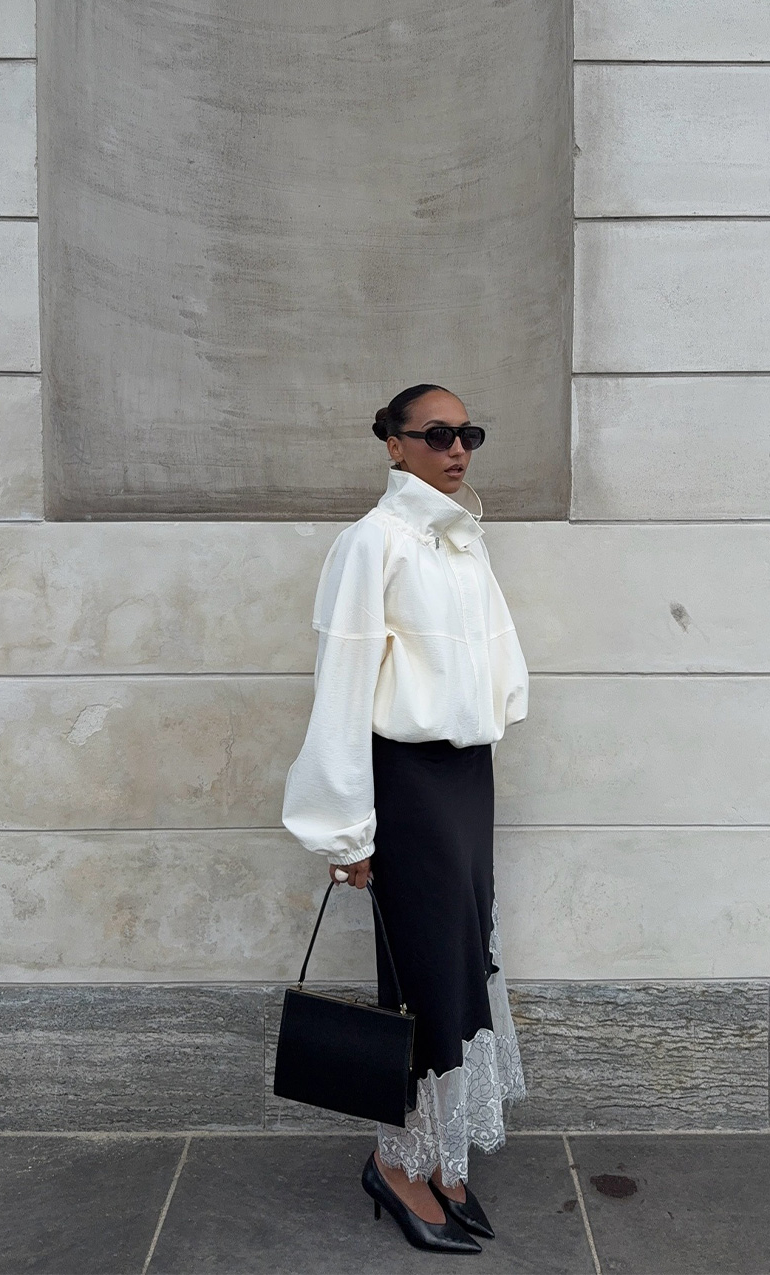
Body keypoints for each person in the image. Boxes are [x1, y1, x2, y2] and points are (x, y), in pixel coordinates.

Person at [281, 383, 530, 1254]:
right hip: (407, 779)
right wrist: (346, 829)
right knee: (422, 967)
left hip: (467, 774)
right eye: (437, 434)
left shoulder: (462, 540)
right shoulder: (373, 541)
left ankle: (442, 1152)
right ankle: (397, 1162)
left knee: (462, 952)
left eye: (469, 433)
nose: (457, 448)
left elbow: (494, 656)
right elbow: (342, 685)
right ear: (394, 444)